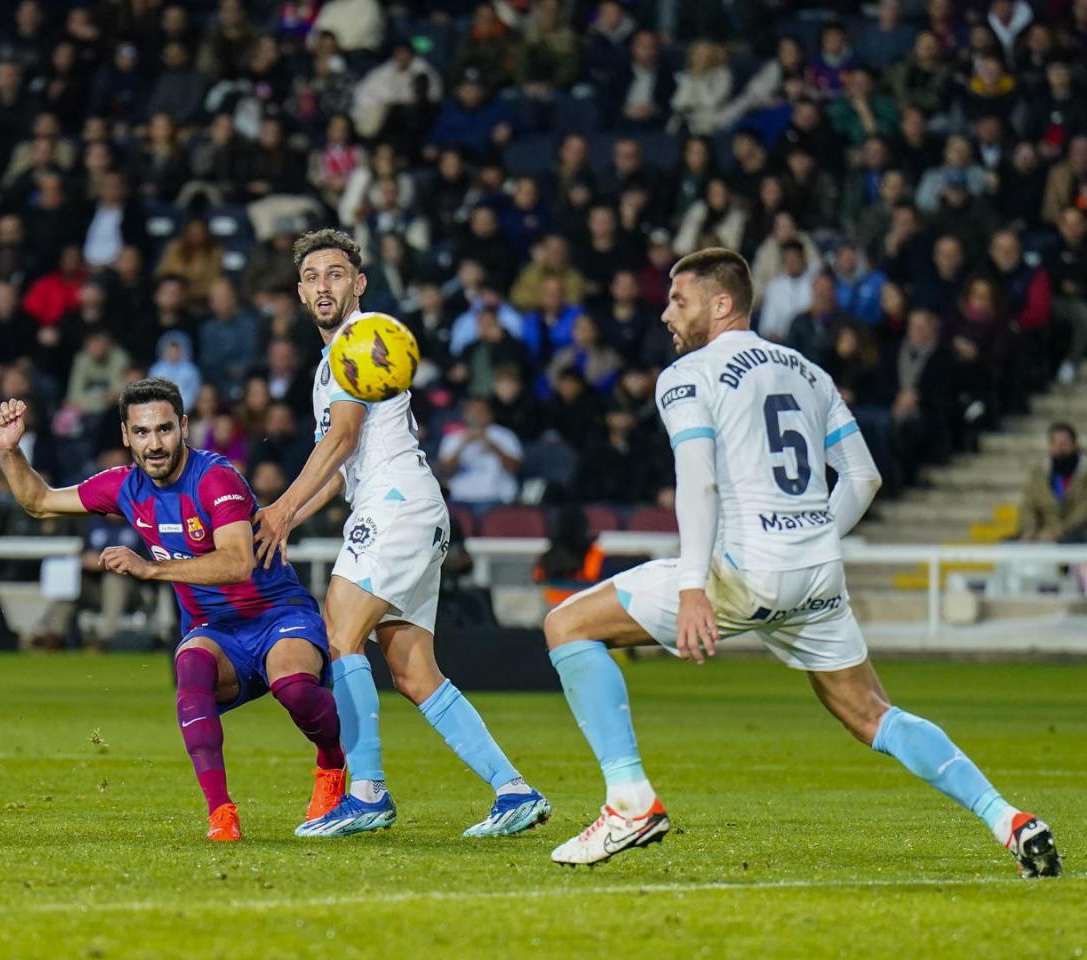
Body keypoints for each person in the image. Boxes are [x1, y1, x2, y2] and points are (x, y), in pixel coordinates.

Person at [540, 247, 1060, 879]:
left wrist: (692, 587)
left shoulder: (687, 376)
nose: (665, 314)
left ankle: (629, 801)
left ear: (722, 303)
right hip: (816, 573)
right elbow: (863, 478)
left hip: (741, 569)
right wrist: (811, 537)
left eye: (679, 300)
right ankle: (1008, 819)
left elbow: (697, 481)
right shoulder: (809, 372)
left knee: (566, 626)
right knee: (874, 715)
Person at [254, 229, 550, 839]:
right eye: (311, 277)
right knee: (414, 673)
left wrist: (281, 509)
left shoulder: (363, 339)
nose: (322, 286)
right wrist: (282, 518)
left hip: (394, 505)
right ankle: (514, 790)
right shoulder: (330, 358)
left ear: (358, 283)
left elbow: (344, 439)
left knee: (339, 633)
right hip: (405, 507)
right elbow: (336, 470)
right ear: (300, 293)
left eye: (335, 274)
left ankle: (366, 794)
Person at [0, 378, 348, 841]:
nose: (154, 444)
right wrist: (8, 452)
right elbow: (39, 502)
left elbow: (239, 562)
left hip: (276, 614)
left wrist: (151, 570)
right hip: (216, 630)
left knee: (295, 690)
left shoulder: (216, 478)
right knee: (191, 667)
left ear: (183, 427)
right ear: (126, 435)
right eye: (142, 433)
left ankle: (333, 767)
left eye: (163, 430)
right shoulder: (125, 486)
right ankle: (221, 815)